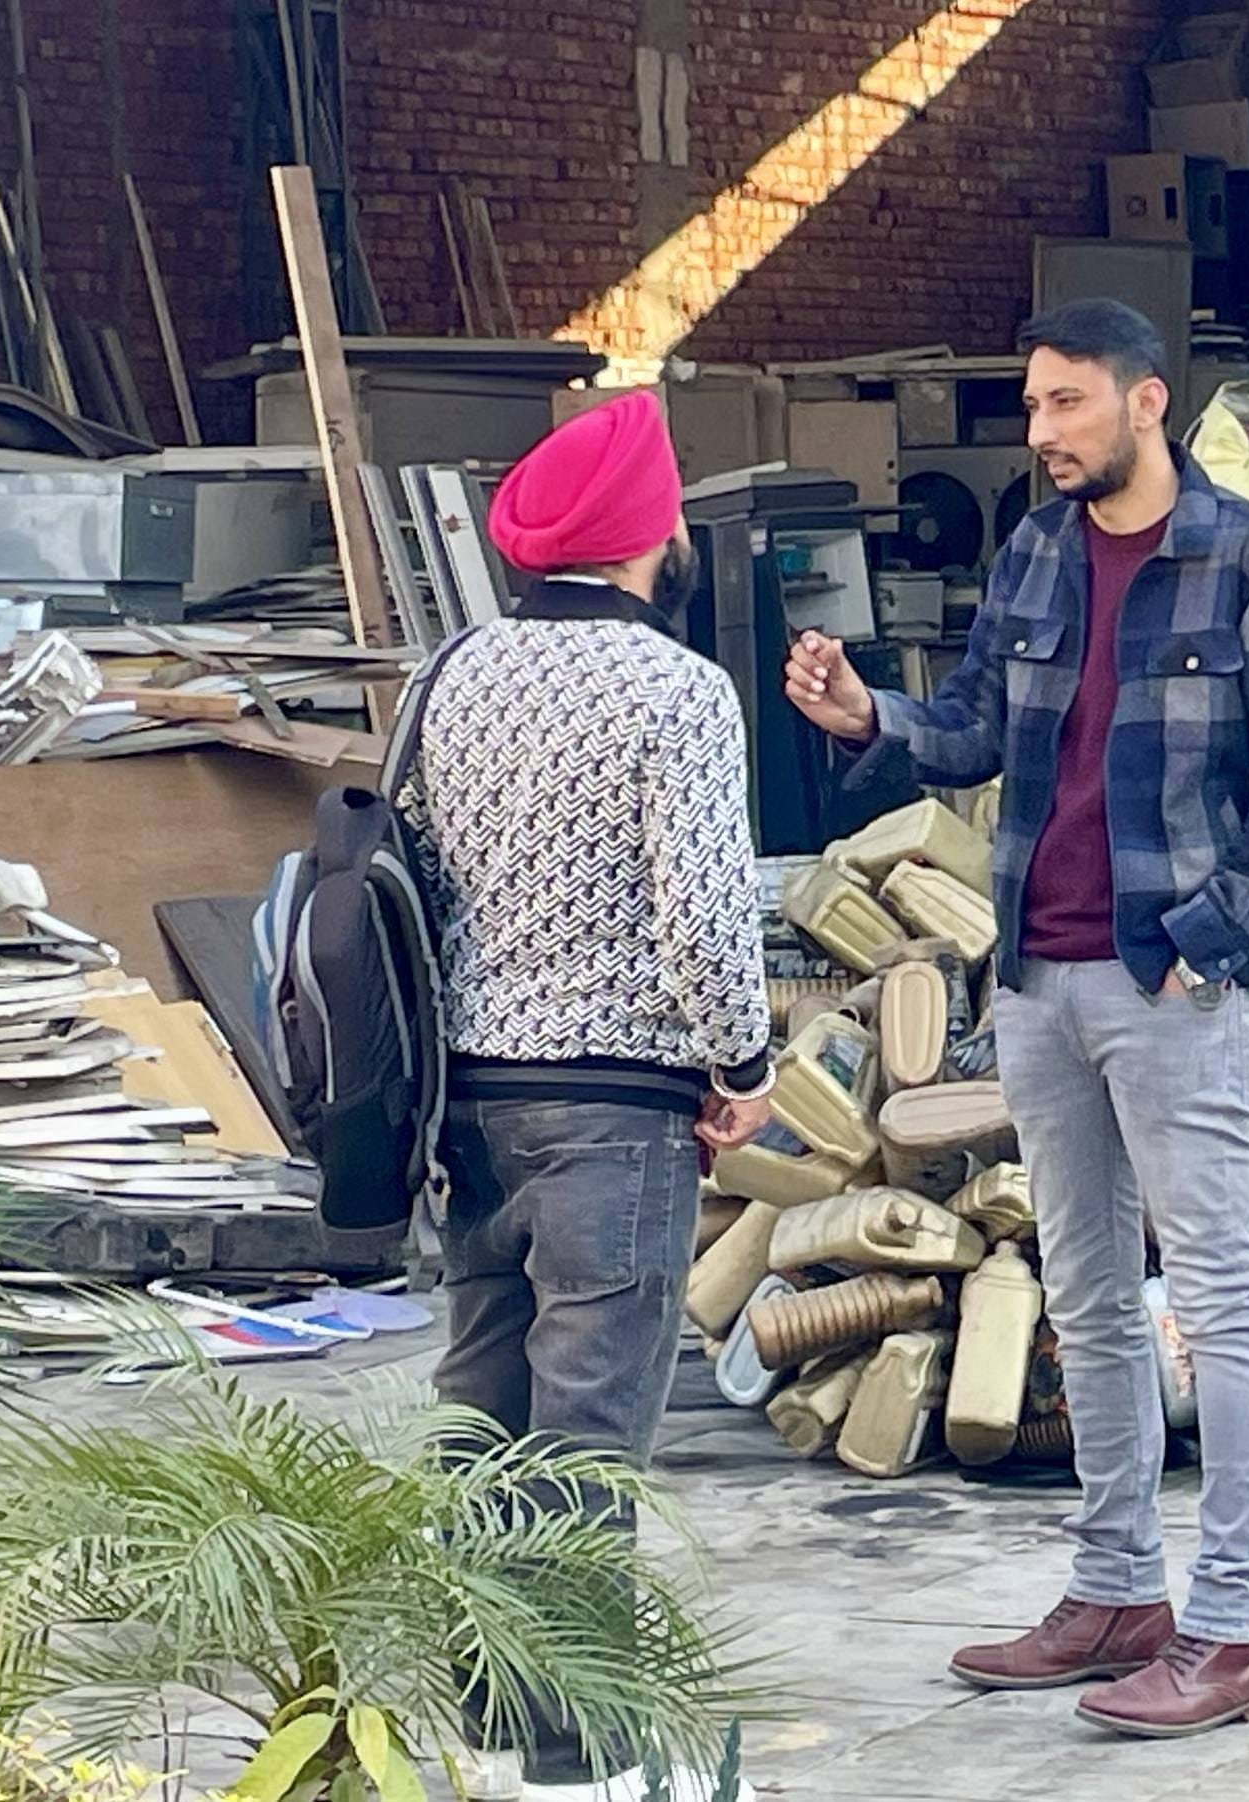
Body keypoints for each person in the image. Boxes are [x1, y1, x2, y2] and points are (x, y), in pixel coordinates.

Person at [784, 299, 1249, 1739]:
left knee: (1216, 1298)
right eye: (1033, 406)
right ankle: (1115, 1591)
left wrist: (1206, 945)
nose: (1040, 433)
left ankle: (1236, 1628)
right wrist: (866, 718)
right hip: (1036, 976)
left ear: (1146, 402)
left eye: (1065, 403)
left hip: (1169, 983)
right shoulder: (1035, 550)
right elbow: (974, 728)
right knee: (1085, 1294)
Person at [398, 390, 773, 1802]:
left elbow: (412, 877)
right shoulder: (679, 688)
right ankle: (582, 1754)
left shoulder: (452, 674)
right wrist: (742, 1066)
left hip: (467, 1105)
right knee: (587, 1438)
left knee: (480, 1416)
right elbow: (704, 919)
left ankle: (486, 1716)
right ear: (648, 535)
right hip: (616, 1113)